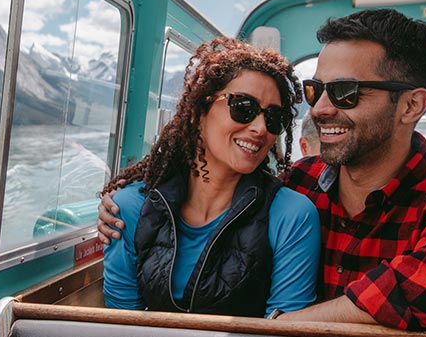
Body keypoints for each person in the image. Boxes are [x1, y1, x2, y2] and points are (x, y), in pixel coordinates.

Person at [98, 9, 426, 331]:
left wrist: (278, 329)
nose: (320, 109)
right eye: (317, 90)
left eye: (345, 92)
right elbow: (206, 184)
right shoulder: (298, 183)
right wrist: (124, 200)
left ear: (411, 106)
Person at [102, 37, 320, 318]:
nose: (260, 128)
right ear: (199, 112)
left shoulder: (291, 216)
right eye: (243, 107)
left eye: (273, 117)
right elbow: (121, 327)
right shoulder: (129, 208)